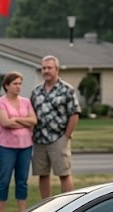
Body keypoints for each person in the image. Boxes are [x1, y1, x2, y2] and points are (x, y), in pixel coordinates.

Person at [30, 55, 81, 199]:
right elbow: (31, 114)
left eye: (49, 68)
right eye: (43, 68)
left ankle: (69, 204)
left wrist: (67, 135)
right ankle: (46, 206)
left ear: (56, 69)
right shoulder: (36, 91)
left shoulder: (66, 90)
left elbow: (74, 113)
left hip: (58, 138)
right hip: (39, 139)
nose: (46, 71)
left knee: (63, 173)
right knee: (42, 174)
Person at [0, 72, 36, 212]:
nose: (18, 86)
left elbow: (34, 121)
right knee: (4, 180)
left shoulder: (26, 102)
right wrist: (25, 121)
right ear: (6, 86)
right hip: (5, 147)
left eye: (20, 83)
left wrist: (16, 118)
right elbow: (5, 123)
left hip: (25, 146)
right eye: (15, 84)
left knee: (22, 180)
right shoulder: (0, 102)